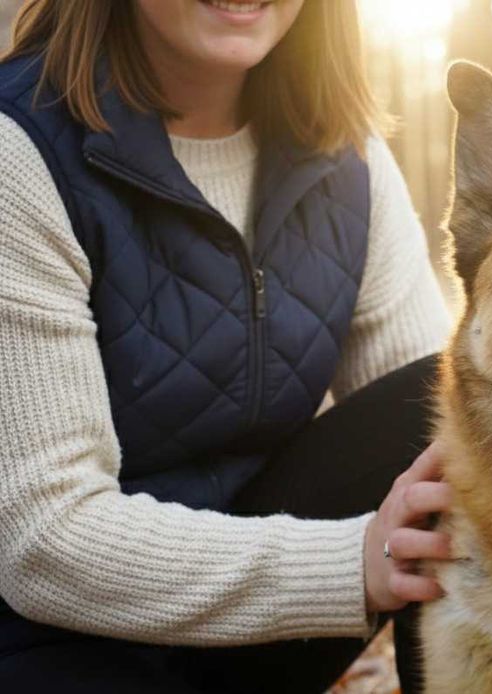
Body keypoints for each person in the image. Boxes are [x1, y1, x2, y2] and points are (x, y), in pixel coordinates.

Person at [0, 1, 454, 691]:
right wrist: (349, 562)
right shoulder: (20, 154)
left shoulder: (349, 157)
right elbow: (43, 538)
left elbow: (445, 437)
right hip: (60, 642)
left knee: (445, 420)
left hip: (260, 629)